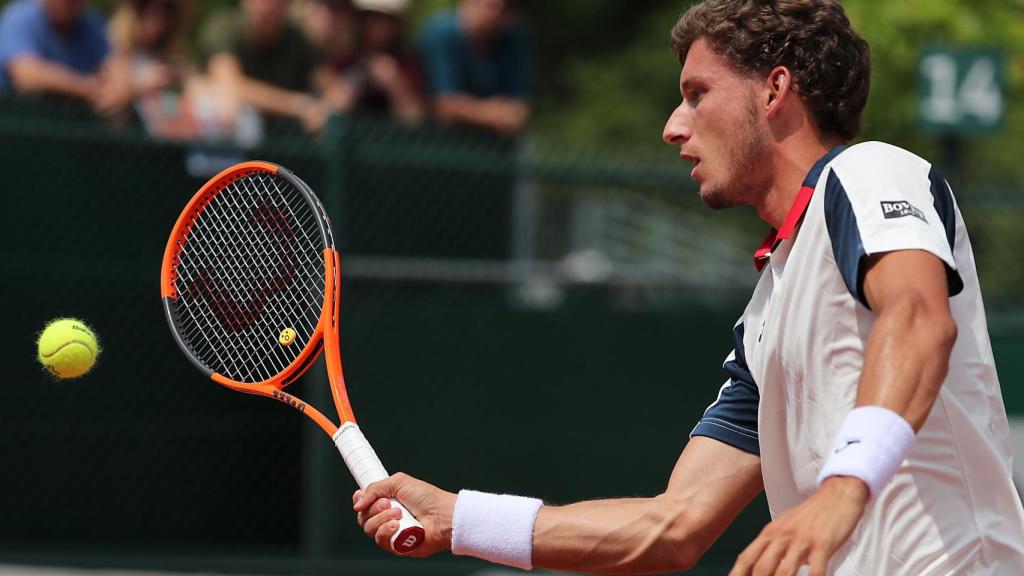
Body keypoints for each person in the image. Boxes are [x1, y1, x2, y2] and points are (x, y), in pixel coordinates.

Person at [353, 1, 1024, 574]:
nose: (674, 125)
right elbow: (672, 527)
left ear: (775, 89)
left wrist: (843, 488)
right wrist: (457, 519)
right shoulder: (768, 313)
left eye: (698, 93)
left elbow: (918, 319)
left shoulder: (871, 171)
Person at [199, 0, 337, 134]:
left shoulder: (298, 39)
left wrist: (323, 111)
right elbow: (232, 85)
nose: (265, 6)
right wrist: (299, 106)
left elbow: (332, 88)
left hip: (285, 135)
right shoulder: (224, 28)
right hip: (240, 131)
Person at [418, 0, 529, 134]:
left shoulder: (513, 38)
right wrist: (490, 113)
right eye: (492, 5)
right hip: (437, 141)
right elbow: (444, 106)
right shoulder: (441, 34)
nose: (498, 13)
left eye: (507, 7)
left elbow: (519, 107)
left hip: (492, 144)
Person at [105, 0, 199, 137]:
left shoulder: (173, 56)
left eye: (168, 9)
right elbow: (106, 99)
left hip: (165, 144)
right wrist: (140, 85)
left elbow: (194, 89)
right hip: (125, 141)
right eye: (145, 5)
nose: (156, 15)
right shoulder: (112, 45)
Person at [0, 0, 113, 109]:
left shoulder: (93, 24)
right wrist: (87, 88)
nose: (64, 3)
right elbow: (26, 76)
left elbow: (114, 68)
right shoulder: (19, 17)